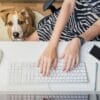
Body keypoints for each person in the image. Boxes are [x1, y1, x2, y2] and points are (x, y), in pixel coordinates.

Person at [27, 0, 100, 76]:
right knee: (26, 45)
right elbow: (68, 3)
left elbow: (98, 25)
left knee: (82, 70)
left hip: (90, 33)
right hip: (67, 19)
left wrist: (78, 40)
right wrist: (52, 45)